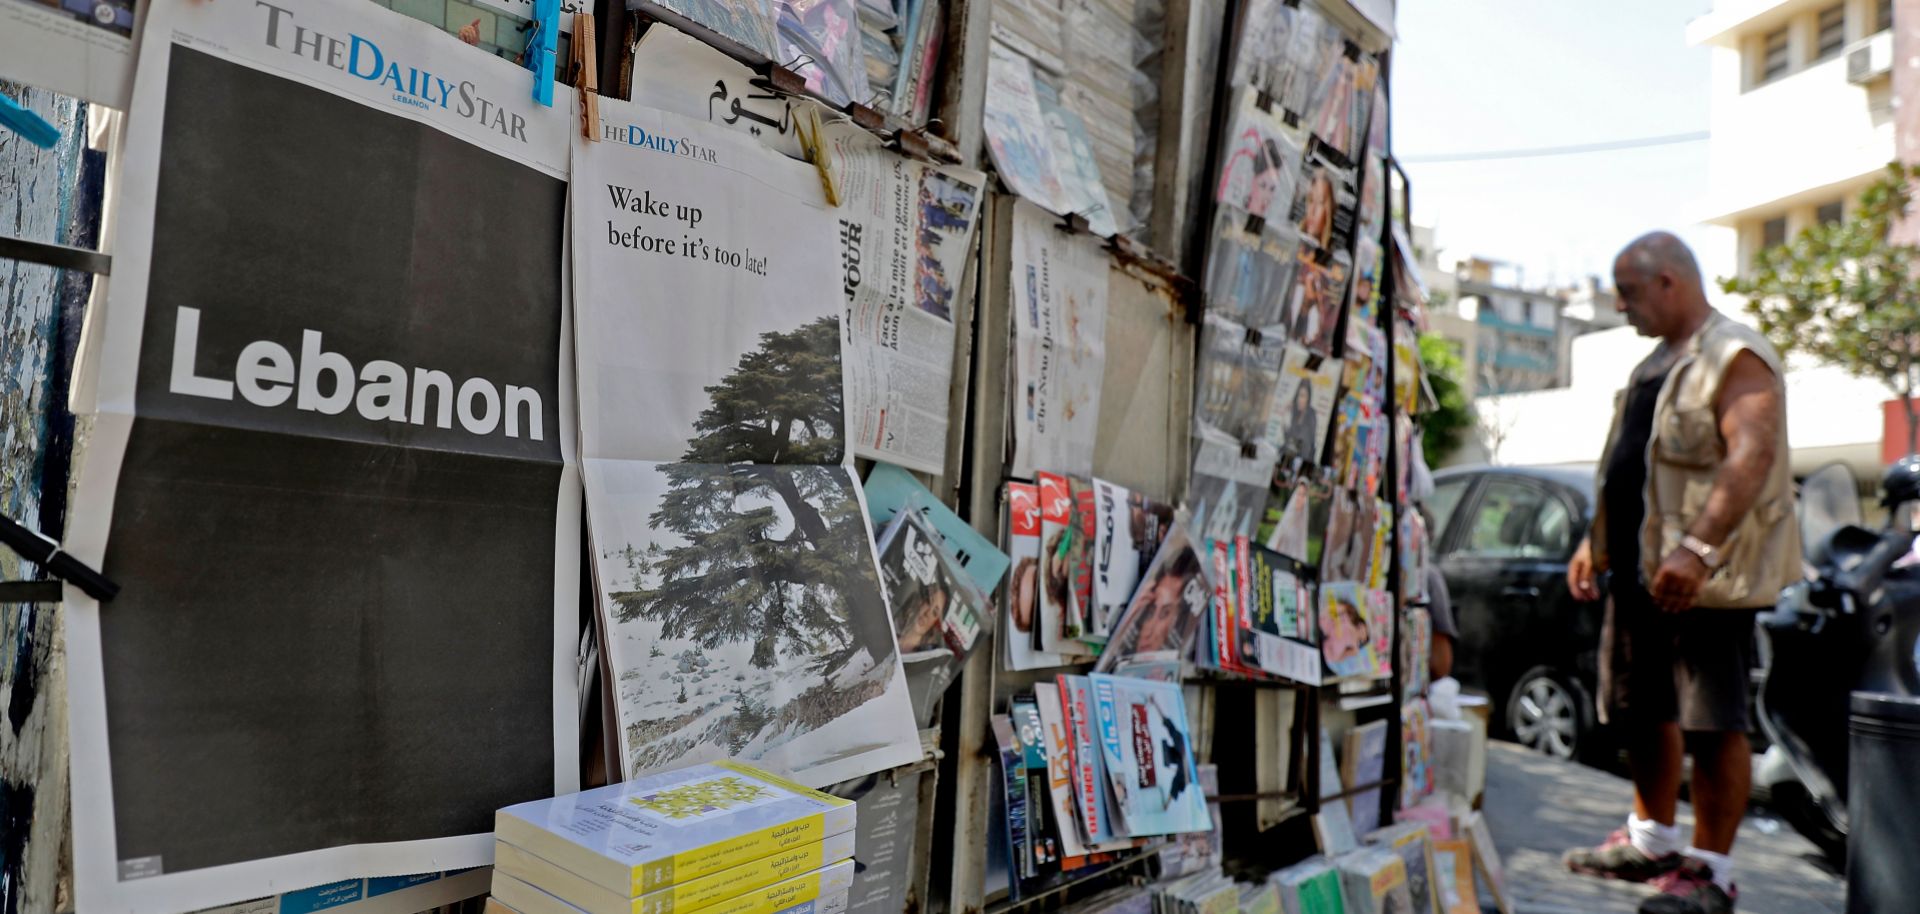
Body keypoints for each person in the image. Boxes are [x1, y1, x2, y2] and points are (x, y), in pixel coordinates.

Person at [1561, 233, 1799, 914]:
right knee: (1640, 708)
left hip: (1706, 577)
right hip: (1638, 570)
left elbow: (1750, 455)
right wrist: (1594, 541)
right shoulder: (1653, 366)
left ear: (1669, 281)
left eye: (1629, 293)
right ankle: (1652, 840)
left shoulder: (1735, 355)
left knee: (1710, 719)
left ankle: (1710, 872)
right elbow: (1630, 468)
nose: (1622, 307)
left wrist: (1697, 549)